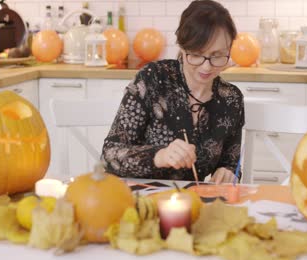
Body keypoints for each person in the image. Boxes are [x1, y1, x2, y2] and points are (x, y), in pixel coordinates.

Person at [102, 0, 244, 184]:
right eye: (197, 54)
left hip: (192, 203)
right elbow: (109, 155)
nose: (207, 66)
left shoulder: (231, 99)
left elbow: (231, 163)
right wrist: (159, 156)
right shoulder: (153, 79)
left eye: (217, 55)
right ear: (183, 48)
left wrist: (228, 172)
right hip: (138, 200)